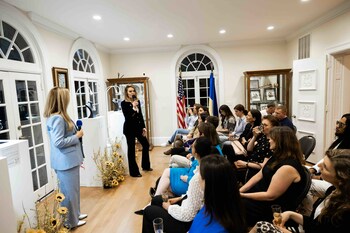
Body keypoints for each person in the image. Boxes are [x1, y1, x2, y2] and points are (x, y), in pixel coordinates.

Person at [250, 149, 350, 233]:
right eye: (322, 163)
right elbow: (315, 224)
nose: (318, 167)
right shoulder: (334, 191)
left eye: (325, 167)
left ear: (341, 178)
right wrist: (290, 214)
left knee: (260, 226)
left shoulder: (343, 213)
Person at [141, 137, 212, 233]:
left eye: (193, 146)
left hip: (187, 223)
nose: (191, 146)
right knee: (157, 199)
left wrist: (169, 207)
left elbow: (188, 215)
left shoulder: (198, 178)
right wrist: (179, 198)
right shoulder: (205, 167)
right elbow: (196, 196)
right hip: (189, 207)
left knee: (149, 211)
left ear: (197, 153)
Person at [240, 126, 307, 227]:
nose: (269, 139)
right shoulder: (277, 155)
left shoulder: (288, 167)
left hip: (272, 208)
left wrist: (243, 195)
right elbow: (259, 175)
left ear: (280, 141)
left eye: (272, 138)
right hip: (262, 198)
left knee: (233, 206)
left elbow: (270, 196)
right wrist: (240, 190)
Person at [44, 87, 87, 228]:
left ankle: (76, 213)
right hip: (65, 162)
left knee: (73, 190)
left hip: (69, 161)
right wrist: (77, 136)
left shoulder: (60, 116)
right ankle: (70, 221)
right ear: (61, 100)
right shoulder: (57, 118)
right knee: (68, 192)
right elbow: (58, 142)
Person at [300, 113, 350, 215]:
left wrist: (316, 177)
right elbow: (326, 160)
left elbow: (339, 176)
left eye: (341, 125)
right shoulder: (340, 140)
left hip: (336, 184)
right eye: (338, 123)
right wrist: (313, 169)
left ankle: (308, 215)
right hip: (330, 178)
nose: (337, 126)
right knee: (301, 170)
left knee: (305, 184)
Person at [188, 155, 247, 233]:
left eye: (200, 175)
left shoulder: (218, 228)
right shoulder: (219, 205)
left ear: (209, 183)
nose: (197, 178)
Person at [121, 84, 151, 177]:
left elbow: (140, 115)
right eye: (130, 91)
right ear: (126, 93)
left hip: (138, 128)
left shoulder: (137, 101)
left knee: (145, 144)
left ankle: (145, 166)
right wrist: (133, 107)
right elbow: (128, 117)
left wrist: (144, 127)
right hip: (129, 129)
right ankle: (134, 172)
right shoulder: (124, 103)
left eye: (133, 90)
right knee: (131, 150)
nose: (132, 92)